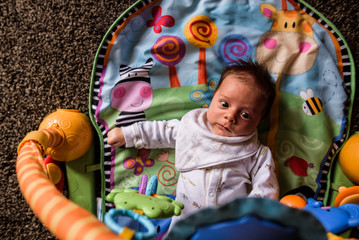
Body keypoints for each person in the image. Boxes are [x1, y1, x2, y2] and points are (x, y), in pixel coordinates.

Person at [107, 59, 279, 228]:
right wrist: (128, 134)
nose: (230, 116)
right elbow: (160, 131)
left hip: (227, 227)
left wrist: (248, 219)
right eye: (225, 104)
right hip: (185, 221)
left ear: (259, 121)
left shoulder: (257, 154)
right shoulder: (191, 128)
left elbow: (266, 190)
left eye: (245, 115)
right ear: (213, 98)